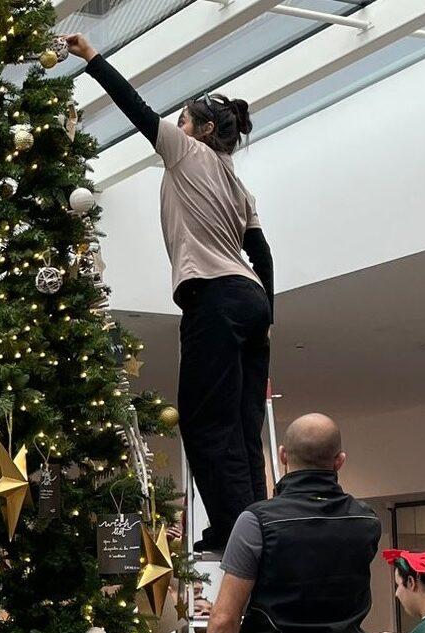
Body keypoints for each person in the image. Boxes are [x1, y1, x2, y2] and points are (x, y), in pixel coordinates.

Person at [65, 34, 275, 553]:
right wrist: (267, 313)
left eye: (182, 120)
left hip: (214, 296)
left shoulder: (186, 153)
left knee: (204, 419)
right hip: (249, 298)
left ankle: (232, 532)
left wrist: (92, 57)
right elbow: (263, 254)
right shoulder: (238, 184)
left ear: (201, 130)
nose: (175, 127)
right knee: (245, 423)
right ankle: (256, 524)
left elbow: (133, 106)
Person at [204, 414, 381, 633]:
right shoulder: (367, 520)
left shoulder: (257, 521)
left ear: (283, 455)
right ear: (339, 461)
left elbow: (224, 619)